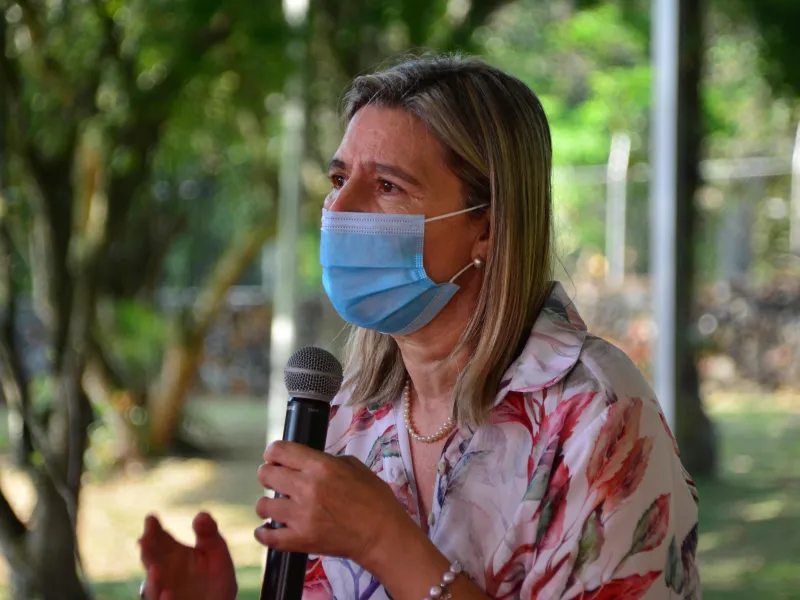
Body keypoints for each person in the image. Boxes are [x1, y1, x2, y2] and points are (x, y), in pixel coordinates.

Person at [139, 54, 700, 600]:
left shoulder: (596, 413)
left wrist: (384, 541)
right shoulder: (345, 416)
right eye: (339, 178)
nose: (339, 208)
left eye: (387, 186)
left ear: (487, 227)